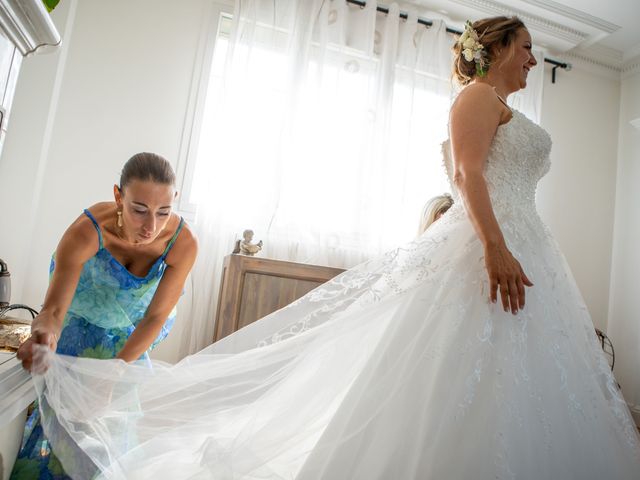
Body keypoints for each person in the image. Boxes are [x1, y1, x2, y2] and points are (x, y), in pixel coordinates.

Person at [25, 17, 640, 480]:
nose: (535, 58)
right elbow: (468, 175)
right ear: (499, 48)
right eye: (527, 47)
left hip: (521, 245)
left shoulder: (502, 105)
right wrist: (497, 248)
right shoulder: (479, 97)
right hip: (493, 246)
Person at [11, 152, 198, 479]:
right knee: (60, 426)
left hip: (130, 333)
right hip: (79, 320)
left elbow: (154, 318)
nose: (151, 226)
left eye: (164, 212)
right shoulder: (87, 231)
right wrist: (43, 337)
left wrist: (115, 372)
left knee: (110, 432)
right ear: (118, 196)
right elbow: (53, 309)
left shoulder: (183, 243)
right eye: (139, 210)